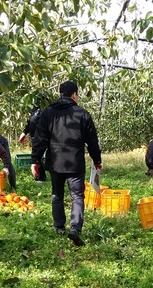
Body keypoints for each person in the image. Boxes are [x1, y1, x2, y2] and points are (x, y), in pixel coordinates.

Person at [31, 81, 102, 247]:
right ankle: (75, 228)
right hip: (75, 162)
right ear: (74, 95)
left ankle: (59, 226)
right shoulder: (82, 114)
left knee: (57, 194)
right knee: (77, 196)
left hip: (55, 161)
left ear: (59, 93)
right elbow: (92, 141)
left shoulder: (49, 113)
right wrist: (97, 160)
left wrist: (35, 160)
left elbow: (40, 138)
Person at [19, 106, 47, 183]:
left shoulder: (46, 106)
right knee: (37, 155)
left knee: (37, 155)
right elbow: (31, 121)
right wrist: (24, 132)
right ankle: (41, 176)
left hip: (43, 135)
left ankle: (42, 177)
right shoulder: (34, 108)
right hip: (35, 136)